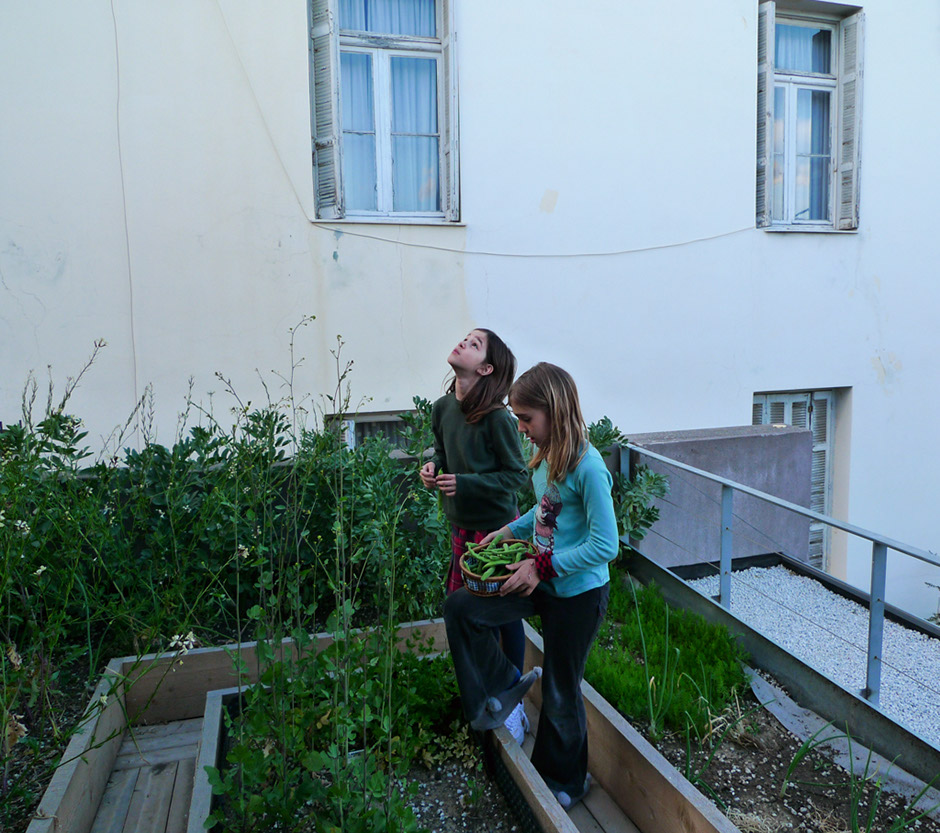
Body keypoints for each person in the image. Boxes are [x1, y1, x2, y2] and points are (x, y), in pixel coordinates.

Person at [443, 362, 619, 810]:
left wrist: (543, 567)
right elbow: (544, 512)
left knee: (561, 689)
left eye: (526, 419)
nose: (521, 428)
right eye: (518, 418)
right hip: (541, 577)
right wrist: (508, 531)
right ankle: (505, 687)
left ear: (554, 411)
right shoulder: (545, 457)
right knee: (462, 609)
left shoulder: (589, 468)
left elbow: (606, 544)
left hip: (578, 595)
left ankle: (568, 781)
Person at [419, 329, 530, 739]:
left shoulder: (498, 418)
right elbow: (442, 453)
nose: (463, 342)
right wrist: (433, 468)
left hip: (498, 530)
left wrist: (465, 483)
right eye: (465, 338)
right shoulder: (442, 408)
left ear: (485, 369)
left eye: (475, 343)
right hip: (461, 526)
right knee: (466, 613)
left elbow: (517, 476)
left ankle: (515, 700)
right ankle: (490, 688)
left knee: (505, 614)